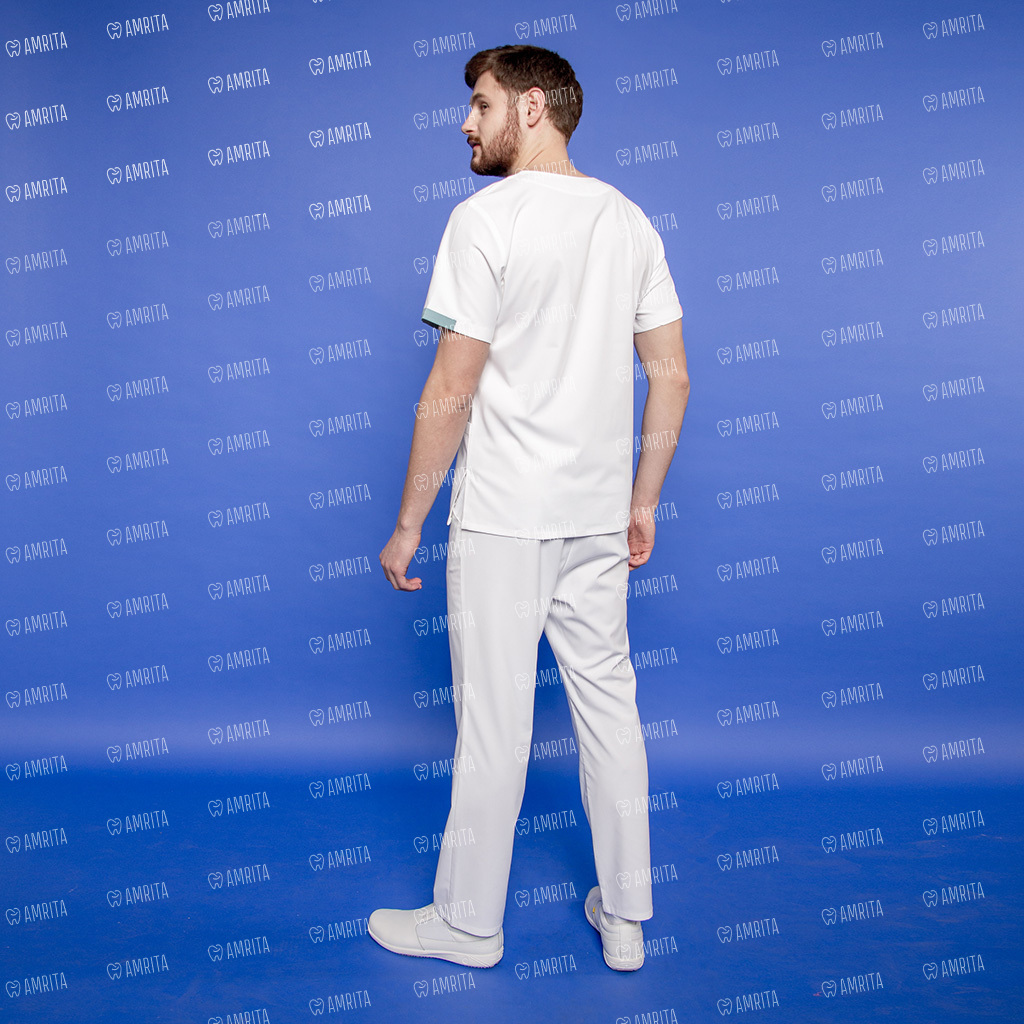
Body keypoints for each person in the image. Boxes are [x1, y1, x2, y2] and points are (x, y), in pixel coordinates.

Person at [373, 44, 688, 972]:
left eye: (481, 104)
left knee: (494, 727)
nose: (466, 123)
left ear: (534, 107)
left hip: (505, 516)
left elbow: (451, 384)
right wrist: (643, 501)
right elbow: (670, 376)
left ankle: (469, 926)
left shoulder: (483, 220)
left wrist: (409, 522)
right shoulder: (630, 221)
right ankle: (625, 919)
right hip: (596, 517)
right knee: (610, 711)